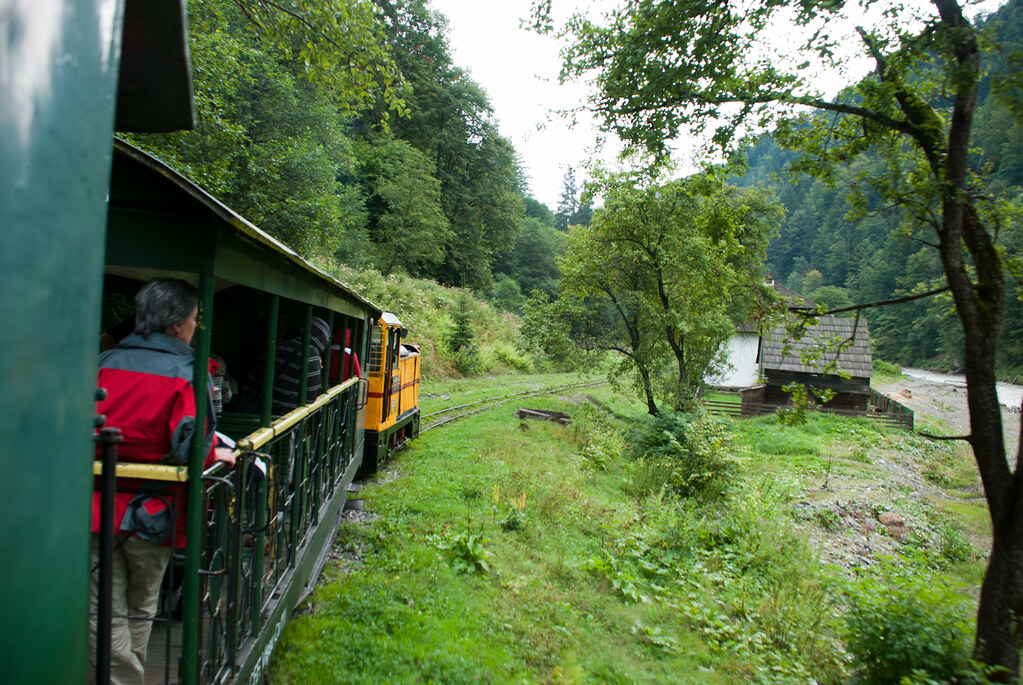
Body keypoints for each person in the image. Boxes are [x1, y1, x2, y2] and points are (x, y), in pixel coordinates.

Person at [90, 278, 235, 685]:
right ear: (175, 325)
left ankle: (118, 677)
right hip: (155, 511)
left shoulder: (101, 364)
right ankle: (127, 679)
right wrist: (214, 454)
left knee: (100, 606)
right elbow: (191, 444)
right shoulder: (189, 373)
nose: (194, 328)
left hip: (95, 506)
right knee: (141, 604)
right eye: (193, 320)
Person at [271, 316, 331, 414]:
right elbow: (312, 395)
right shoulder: (311, 352)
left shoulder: (282, 345)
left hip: (264, 408)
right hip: (287, 414)